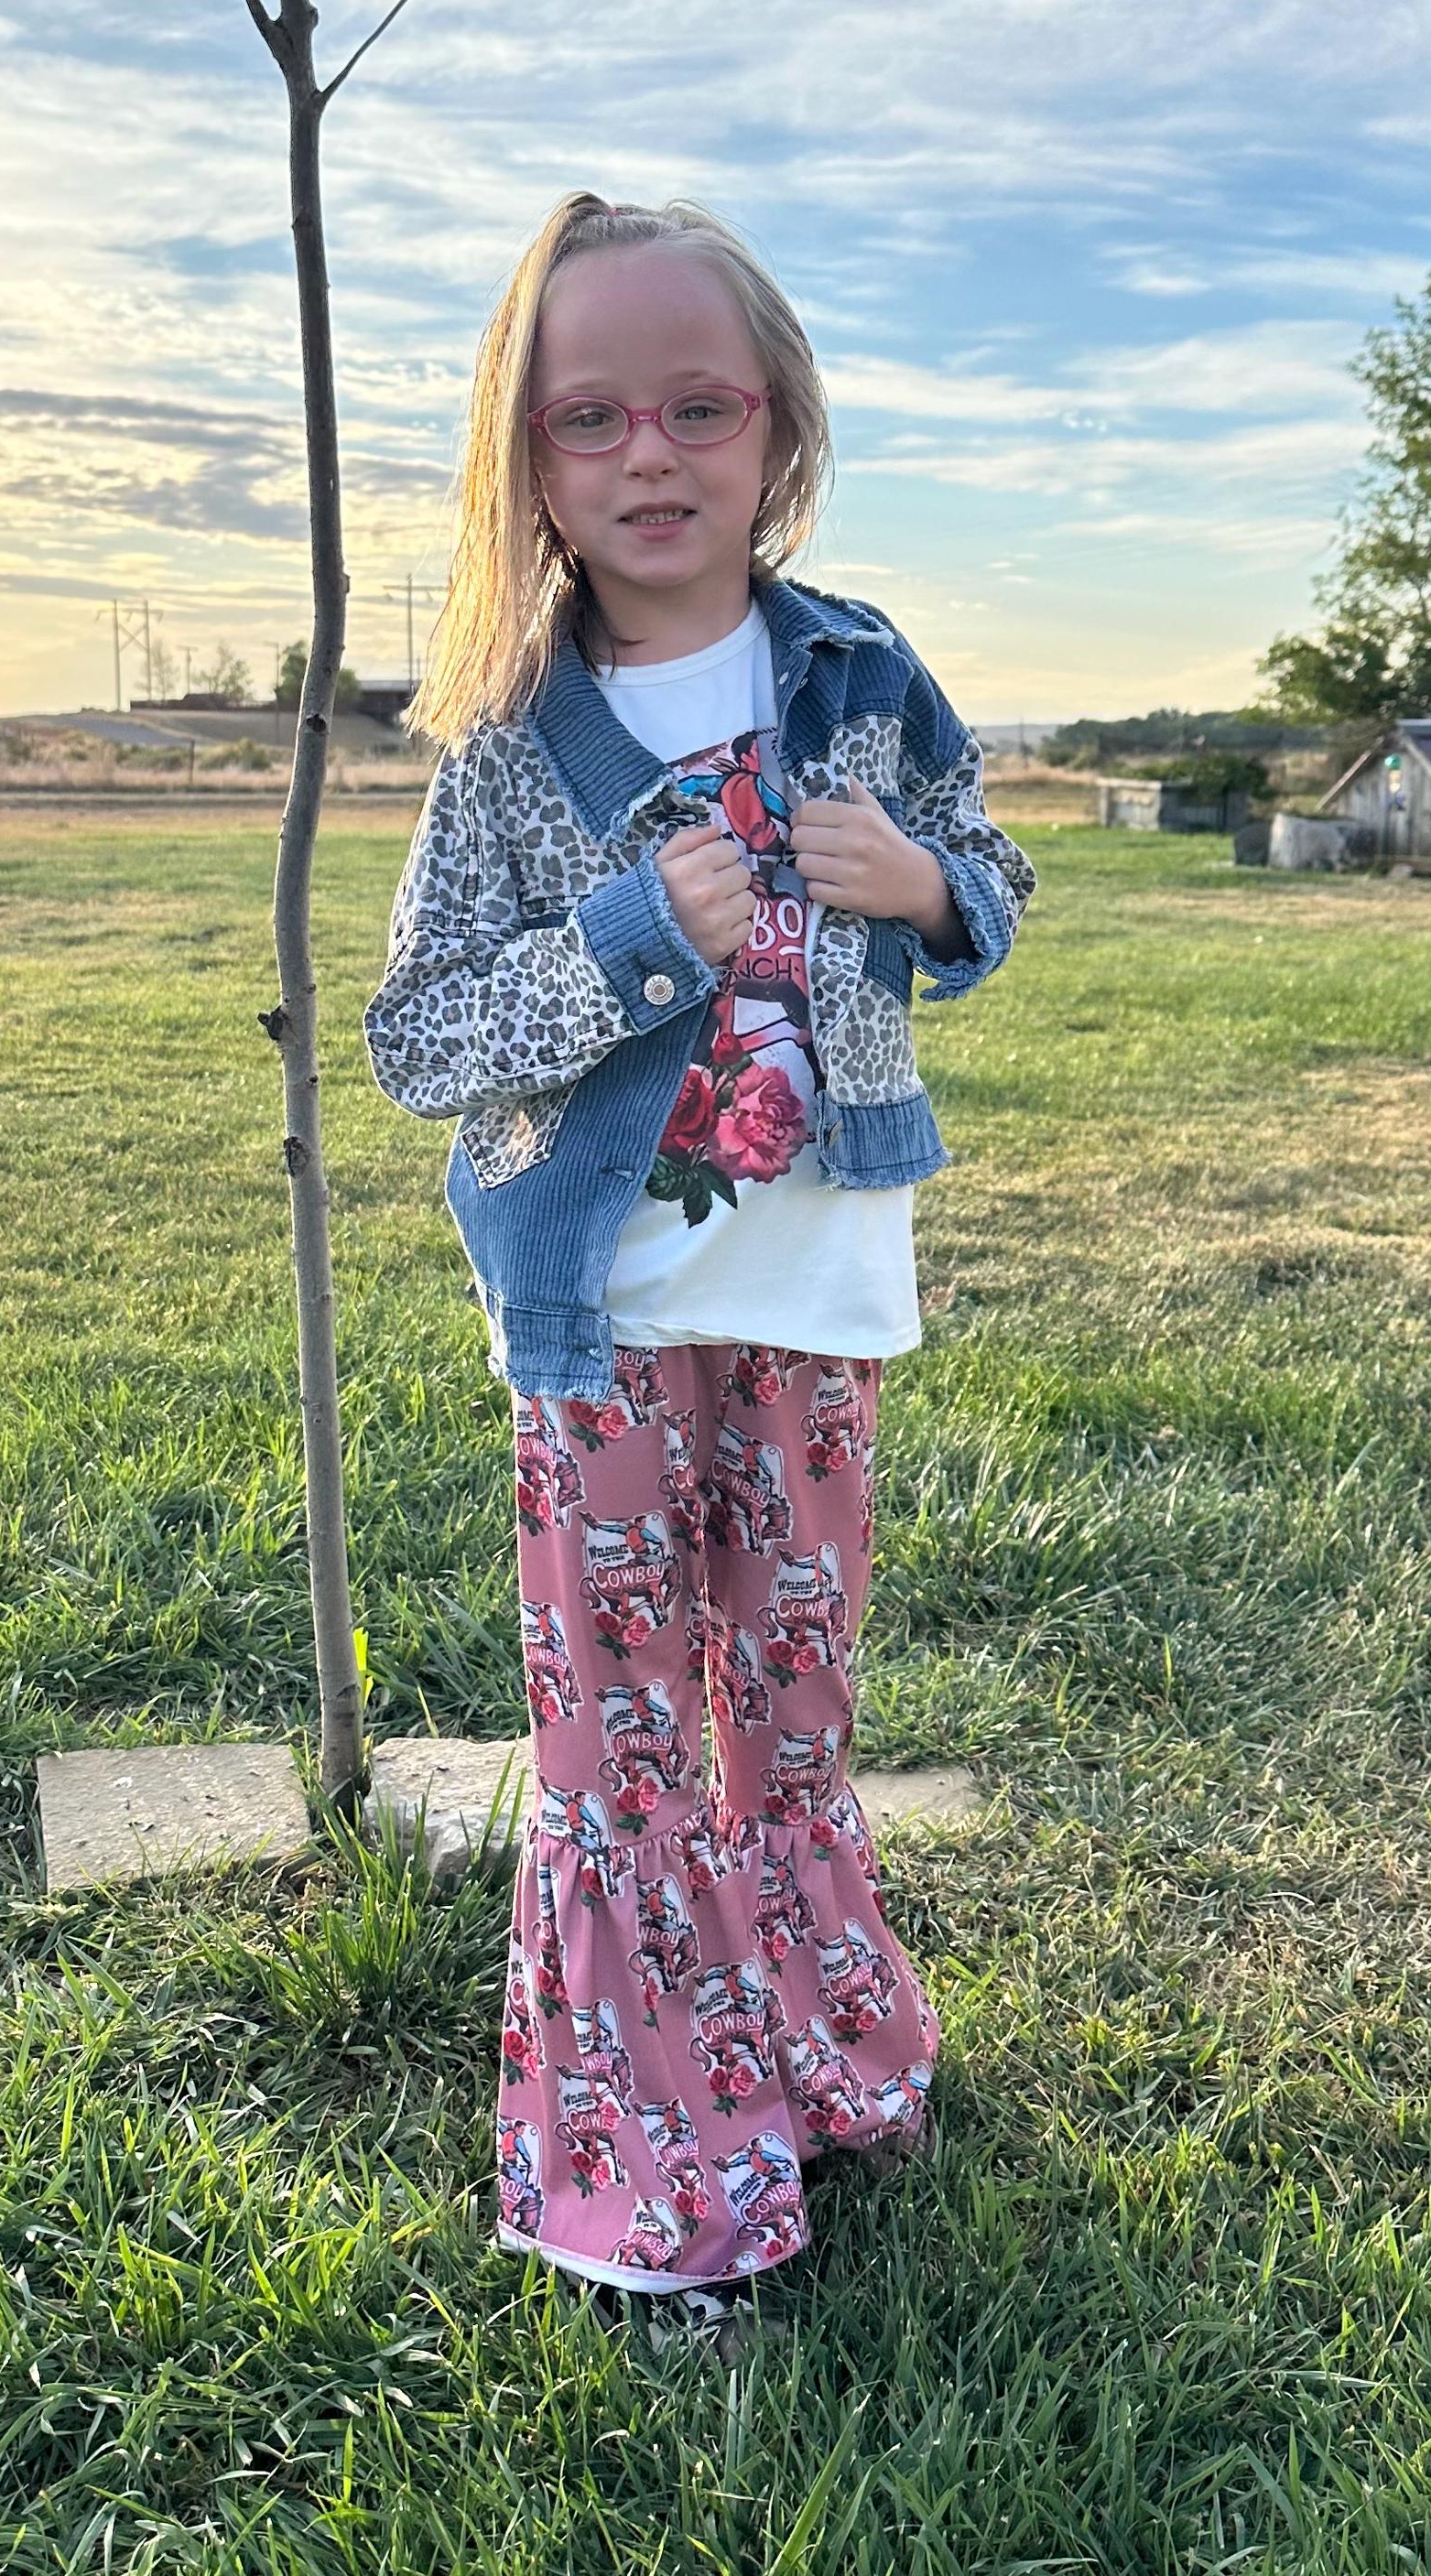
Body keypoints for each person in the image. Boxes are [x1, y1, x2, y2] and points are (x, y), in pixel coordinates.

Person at [363, 190, 1035, 2355]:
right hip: (603, 1312)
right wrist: (634, 940)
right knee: (628, 1742)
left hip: (819, 1281)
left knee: (795, 1704)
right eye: (588, 419)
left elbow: (996, 874)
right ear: (528, 461)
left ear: (775, 429)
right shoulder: (499, 741)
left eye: (695, 405)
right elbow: (412, 1040)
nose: (647, 458)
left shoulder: (858, 672)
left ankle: (806, 2059)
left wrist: (931, 885)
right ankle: (653, 2179)